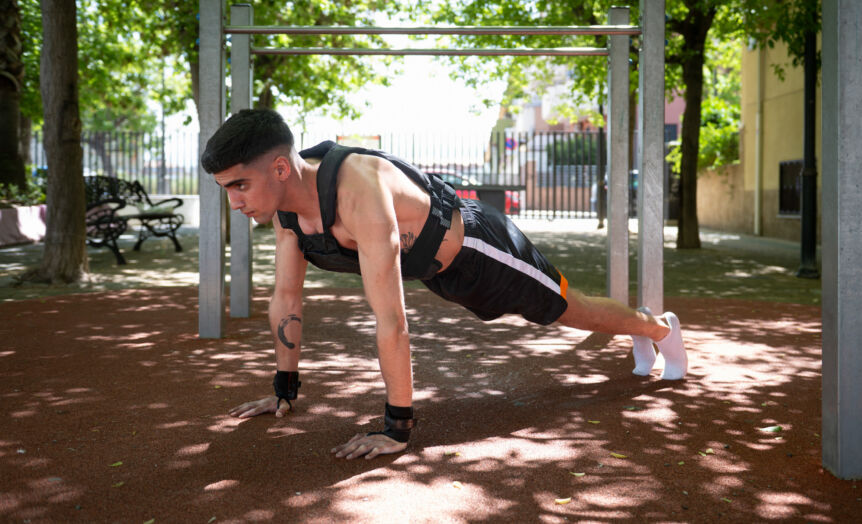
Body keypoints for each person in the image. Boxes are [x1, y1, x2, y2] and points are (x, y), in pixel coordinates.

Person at [201, 108, 688, 460]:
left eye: (239, 186)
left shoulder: (359, 191)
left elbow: (391, 320)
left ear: (280, 168)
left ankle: (659, 330)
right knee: (569, 309)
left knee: (571, 310)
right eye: (227, 190)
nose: (236, 202)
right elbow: (286, 298)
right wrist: (284, 390)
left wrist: (397, 428)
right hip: (440, 275)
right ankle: (645, 332)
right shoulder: (287, 213)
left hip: (482, 250)